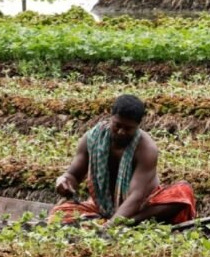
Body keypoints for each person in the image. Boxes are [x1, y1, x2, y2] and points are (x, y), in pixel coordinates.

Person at [51, 94, 196, 225]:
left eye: (128, 128)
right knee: (57, 214)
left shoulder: (146, 149)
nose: (121, 132)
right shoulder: (92, 139)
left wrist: (111, 226)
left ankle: (128, 222)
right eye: (117, 125)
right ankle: (111, 222)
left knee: (183, 192)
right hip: (103, 207)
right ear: (111, 118)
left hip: (141, 208)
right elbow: (73, 175)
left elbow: (136, 196)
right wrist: (64, 181)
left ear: (138, 126)